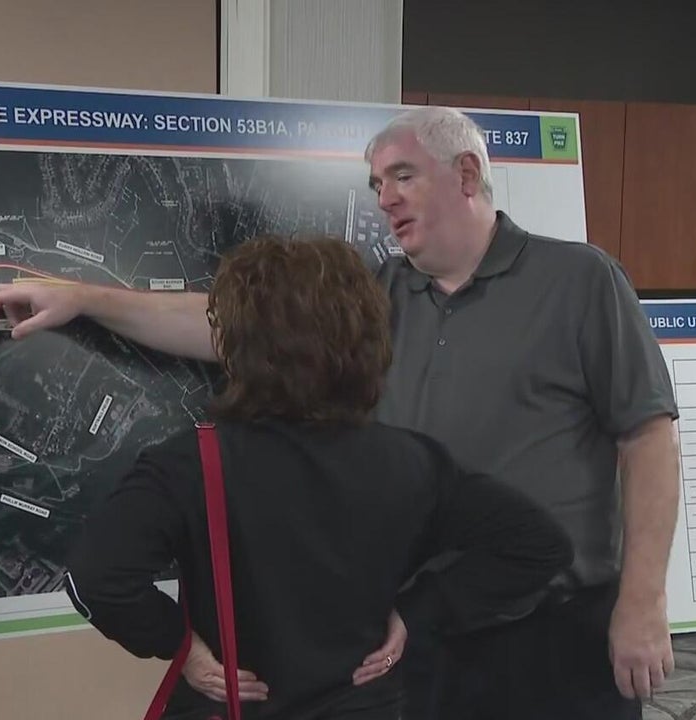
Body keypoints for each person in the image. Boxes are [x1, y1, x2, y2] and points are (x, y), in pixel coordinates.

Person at [0, 106, 680, 720]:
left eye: (402, 175)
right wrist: (85, 299)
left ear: (467, 175)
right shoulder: (380, 293)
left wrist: (643, 601)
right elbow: (242, 324)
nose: (384, 198)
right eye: (376, 184)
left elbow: (648, 436)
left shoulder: (580, 280)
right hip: (413, 637)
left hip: (552, 628)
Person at [63, 234, 572, 720]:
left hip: (238, 704)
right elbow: (537, 544)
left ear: (240, 345)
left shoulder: (189, 464)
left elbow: (98, 579)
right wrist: (417, 612)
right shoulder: (413, 462)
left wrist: (182, 647)